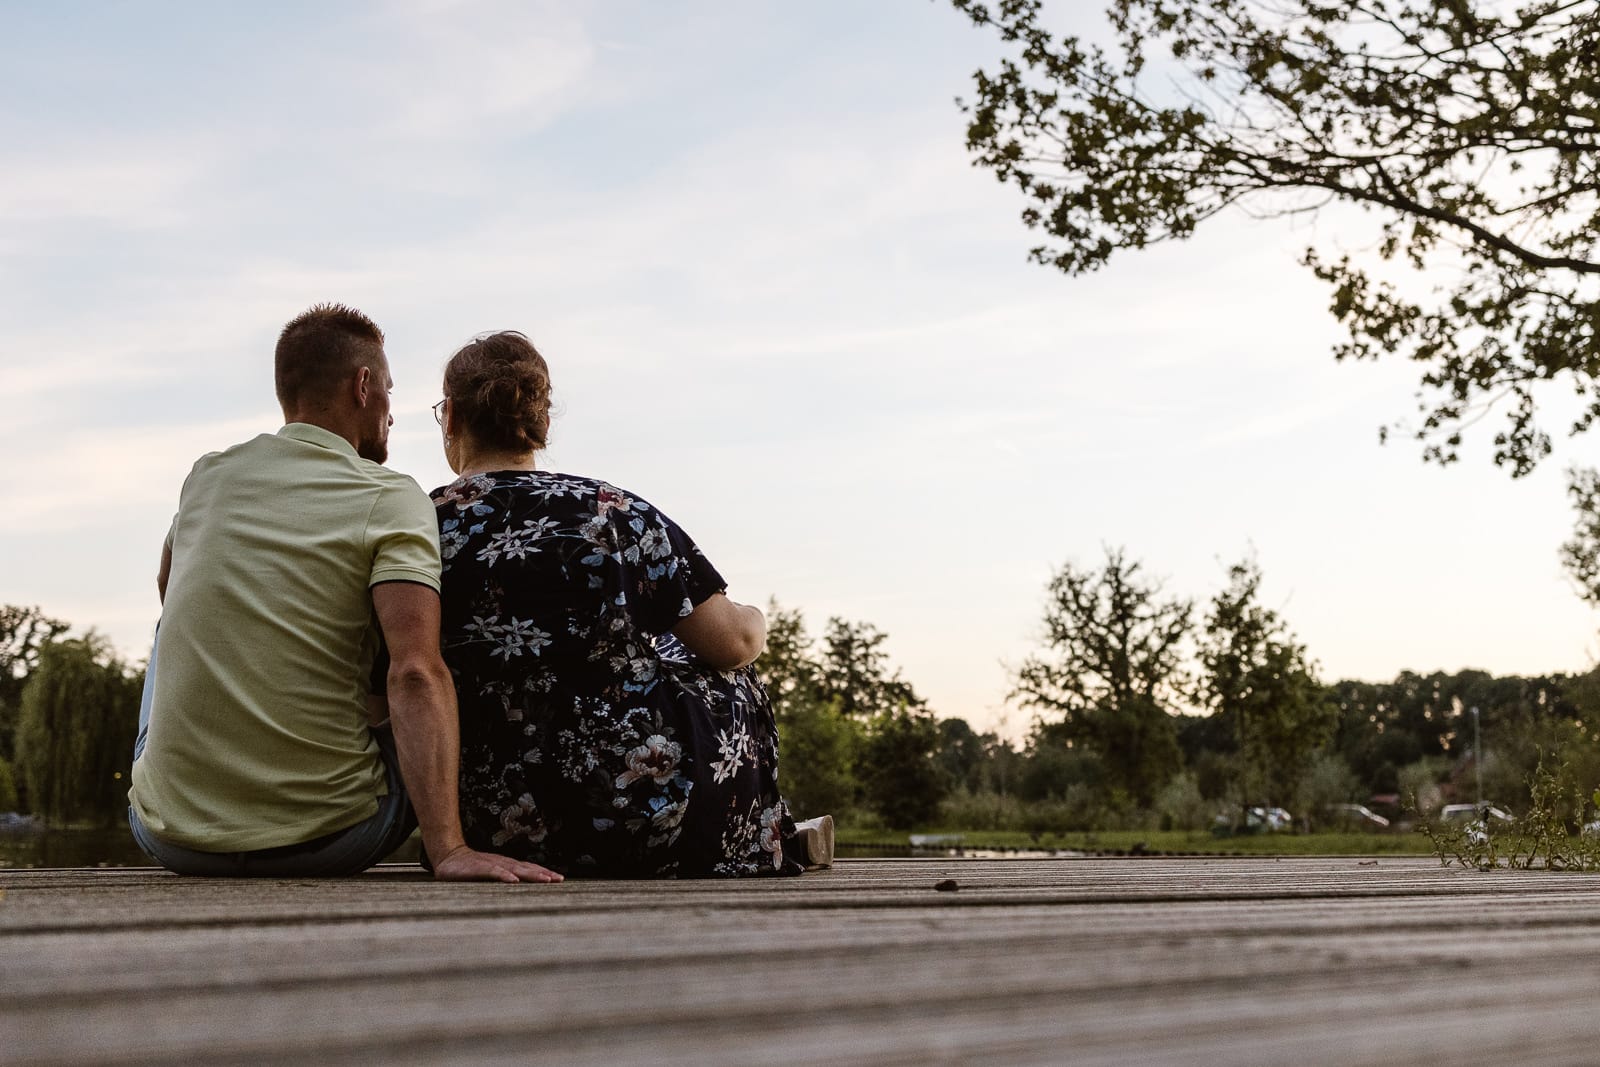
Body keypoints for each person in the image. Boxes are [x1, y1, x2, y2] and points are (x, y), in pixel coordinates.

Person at [127, 304, 561, 883]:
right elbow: (413, 673)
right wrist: (449, 850)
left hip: (169, 835)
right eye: (387, 390)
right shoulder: (389, 495)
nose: (390, 412)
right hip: (331, 838)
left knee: (169, 630)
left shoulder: (208, 476)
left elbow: (168, 590)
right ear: (362, 387)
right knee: (415, 645)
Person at [430, 330, 832, 877]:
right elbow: (732, 643)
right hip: (644, 816)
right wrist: (757, 623)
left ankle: (779, 831)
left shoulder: (418, 527)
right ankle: (769, 832)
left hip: (491, 824)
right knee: (716, 665)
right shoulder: (611, 510)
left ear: (451, 417)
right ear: (542, 422)